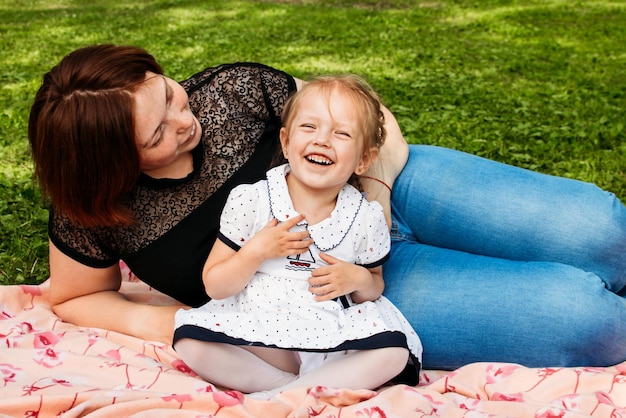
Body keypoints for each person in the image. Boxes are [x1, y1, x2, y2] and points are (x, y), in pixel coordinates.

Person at [28, 44, 626, 373]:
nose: (187, 122)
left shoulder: (235, 91)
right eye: (157, 133)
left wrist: (377, 195)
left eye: (170, 95)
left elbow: (367, 116)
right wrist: (185, 323)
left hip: (395, 186)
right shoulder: (94, 213)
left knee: (601, 231)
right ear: (110, 167)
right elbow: (76, 296)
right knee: (584, 319)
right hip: (341, 296)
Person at [172, 75, 422, 396]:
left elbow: (374, 286)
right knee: (192, 342)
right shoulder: (253, 201)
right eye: (309, 127)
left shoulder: (364, 215)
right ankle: (290, 390)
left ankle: (286, 394)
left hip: (333, 333)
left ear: (364, 159)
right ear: (286, 142)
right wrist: (254, 253)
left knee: (394, 353)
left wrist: (357, 278)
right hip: (261, 330)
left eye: (342, 133)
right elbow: (216, 285)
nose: (322, 140)